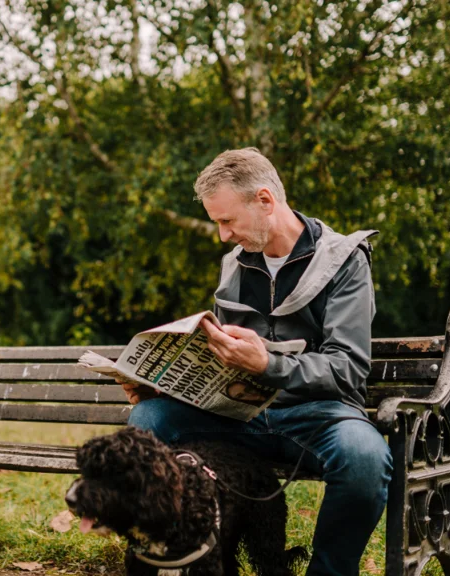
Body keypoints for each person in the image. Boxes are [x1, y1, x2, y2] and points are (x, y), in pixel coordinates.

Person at [123, 148, 391, 576]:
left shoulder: (344, 261)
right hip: (241, 416)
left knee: (364, 458)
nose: (223, 236)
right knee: (149, 417)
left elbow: (347, 370)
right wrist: (165, 379)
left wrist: (268, 365)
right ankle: (167, 556)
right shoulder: (235, 264)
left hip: (317, 417)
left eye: (227, 221)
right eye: (217, 223)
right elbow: (223, 355)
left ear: (265, 201)